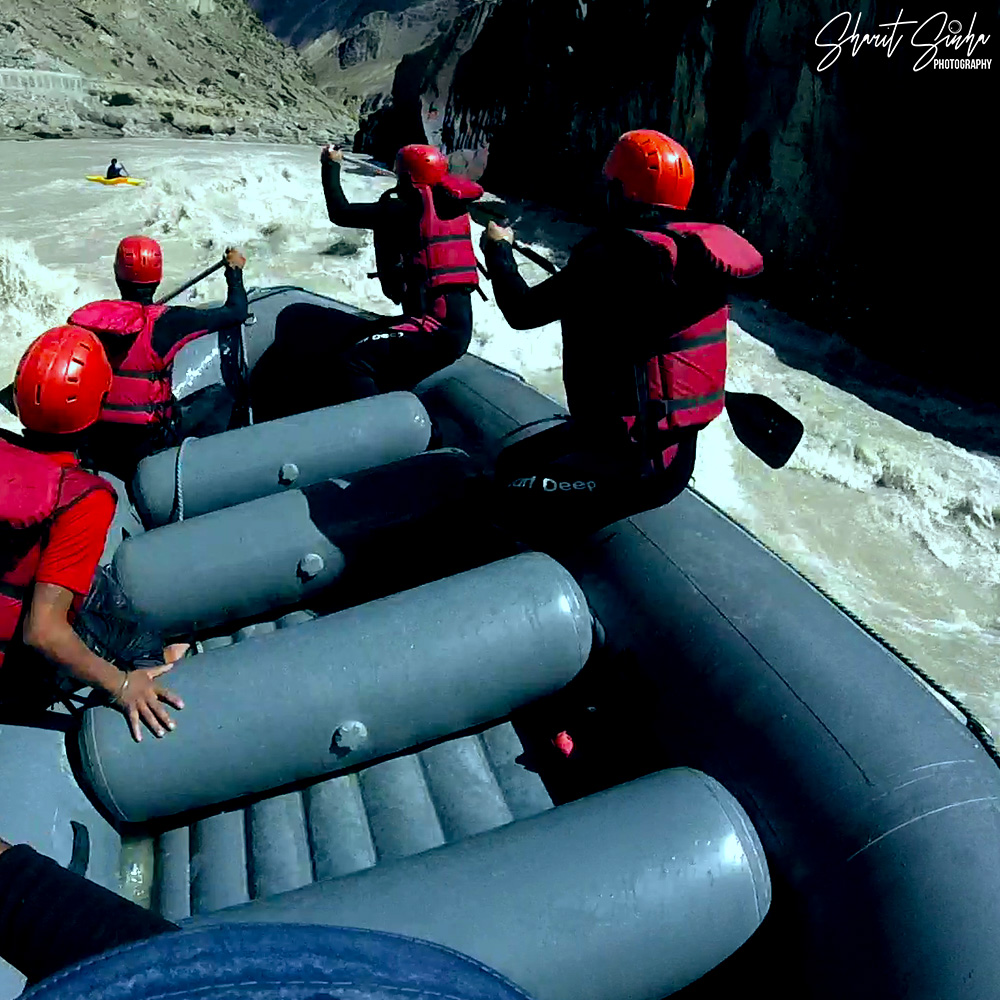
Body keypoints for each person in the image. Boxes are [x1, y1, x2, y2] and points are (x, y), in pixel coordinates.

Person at [481, 129, 764, 543]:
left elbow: (521, 312)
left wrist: (499, 251)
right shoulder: (688, 255)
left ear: (618, 190)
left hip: (630, 463)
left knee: (505, 485)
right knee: (513, 462)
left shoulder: (609, 257)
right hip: (669, 453)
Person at [0, 326, 185, 742]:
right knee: (137, 640)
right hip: (14, 674)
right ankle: (158, 663)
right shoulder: (83, 496)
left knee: (103, 591)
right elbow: (42, 631)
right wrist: (121, 686)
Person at [250, 143, 483, 422]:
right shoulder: (449, 206)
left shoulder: (403, 210)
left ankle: (387, 431)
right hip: (447, 328)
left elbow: (341, 212)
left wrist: (331, 165)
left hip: (435, 331)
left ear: (406, 177)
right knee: (360, 344)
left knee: (353, 361)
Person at [67, 237, 249, 481]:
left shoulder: (93, 319)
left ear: (116, 274)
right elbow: (236, 312)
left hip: (97, 441)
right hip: (147, 443)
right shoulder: (172, 321)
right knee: (221, 396)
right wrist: (234, 271)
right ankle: (205, 476)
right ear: (159, 276)